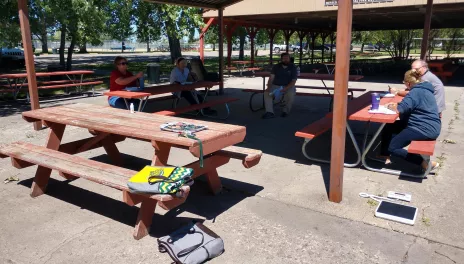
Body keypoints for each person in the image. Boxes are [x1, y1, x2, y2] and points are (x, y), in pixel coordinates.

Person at [380, 69, 441, 171]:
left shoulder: (415, 92)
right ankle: (384, 155)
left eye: (404, 83)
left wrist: (389, 106)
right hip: (432, 125)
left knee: (393, 148)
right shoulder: (425, 89)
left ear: (408, 83)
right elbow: (412, 105)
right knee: (390, 126)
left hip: (422, 128)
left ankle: (425, 163)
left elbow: (401, 109)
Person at [262, 53, 297, 119]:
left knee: (291, 94)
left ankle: (285, 111)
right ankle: (269, 112)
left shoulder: (293, 67)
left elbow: (293, 81)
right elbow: (271, 78)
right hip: (276, 85)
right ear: (281, 59)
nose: (285, 60)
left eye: (287, 58)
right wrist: (268, 87)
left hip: (288, 86)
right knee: (267, 93)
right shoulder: (276, 67)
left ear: (289, 59)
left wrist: (286, 88)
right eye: (284, 58)